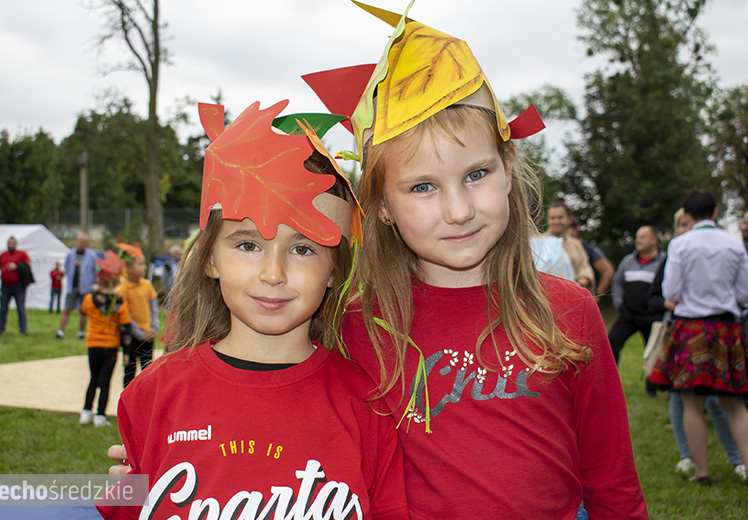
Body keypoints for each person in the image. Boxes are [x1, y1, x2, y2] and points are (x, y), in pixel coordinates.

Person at [110, 3, 648, 517]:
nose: (458, 210)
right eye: (422, 187)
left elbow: (614, 487)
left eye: (477, 174)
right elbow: (270, 412)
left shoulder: (569, 315)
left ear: (509, 165)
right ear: (383, 205)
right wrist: (152, 463)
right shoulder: (351, 326)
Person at [97, 100, 408, 520]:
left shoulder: (364, 404)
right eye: (248, 245)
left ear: (334, 271)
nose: (273, 273)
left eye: (302, 249)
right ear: (209, 259)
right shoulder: (154, 395)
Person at [650, 189, 748, 486]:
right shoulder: (735, 245)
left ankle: (702, 473)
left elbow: (670, 292)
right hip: (726, 329)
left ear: (688, 215)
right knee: (734, 405)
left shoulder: (680, 244)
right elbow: (744, 293)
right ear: (716, 212)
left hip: (690, 328)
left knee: (692, 404)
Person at [79, 251, 131, 428]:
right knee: (105, 382)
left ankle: (86, 412)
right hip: (110, 346)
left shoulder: (88, 299)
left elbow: (83, 311)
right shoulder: (120, 303)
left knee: (93, 378)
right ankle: (100, 416)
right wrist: (126, 352)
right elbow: (125, 328)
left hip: (93, 343)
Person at [608, 226, 666, 366]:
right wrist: (619, 304)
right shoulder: (628, 261)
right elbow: (617, 283)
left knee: (654, 351)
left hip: (652, 317)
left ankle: (651, 387)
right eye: (637, 237)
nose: (637, 240)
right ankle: (611, 382)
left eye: (642, 237)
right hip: (628, 315)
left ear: (654, 240)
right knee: (611, 343)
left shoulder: (664, 262)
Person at [115, 243, 158, 388]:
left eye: (144, 264)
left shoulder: (147, 285)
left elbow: (154, 308)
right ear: (129, 268)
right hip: (134, 337)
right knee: (130, 371)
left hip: (148, 334)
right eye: (140, 264)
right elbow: (126, 316)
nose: (144, 267)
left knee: (148, 370)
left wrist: (153, 327)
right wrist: (139, 333)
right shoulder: (123, 290)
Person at [545, 199, 595, 289]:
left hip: (571, 295)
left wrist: (580, 284)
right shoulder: (537, 243)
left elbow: (585, 270)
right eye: (552, 218)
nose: (556, 221)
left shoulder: (575, 244)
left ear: (569, 219)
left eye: (560, 217)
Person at [57, 232, 99, 339]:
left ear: (87, 242)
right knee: (67, 309)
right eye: (80, 240)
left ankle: (81, 332)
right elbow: (67, 267)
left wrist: (94, 283)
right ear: (77, 241)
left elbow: (96, 271)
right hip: (73, 286)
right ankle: (60, 331)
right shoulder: (71, 254)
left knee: (83, 311)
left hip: (86, 288)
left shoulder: (92, 256)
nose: (82, 243)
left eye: (84, 241)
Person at [569, 218, 615, 302]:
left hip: (582, 298)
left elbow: (608, 271)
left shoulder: (587, 249)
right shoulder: (553, 246)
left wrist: (597, 295)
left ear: (576, 230)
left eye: (569, 228)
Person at [0, 236, 31, 335]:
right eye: (9, 243)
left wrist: (16, 267)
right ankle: (0, 329)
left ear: (16, 244)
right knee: (3, 308)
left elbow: (28, 266)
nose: (10, 245)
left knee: (20, 308)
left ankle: (23, 329)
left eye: (12, 243)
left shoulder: (22, 254)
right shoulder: (3, 255)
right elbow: (0, 266)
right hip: (5, 286)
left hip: (19, 286)